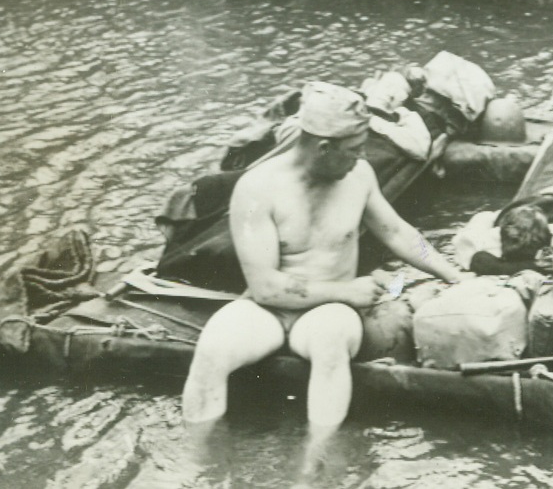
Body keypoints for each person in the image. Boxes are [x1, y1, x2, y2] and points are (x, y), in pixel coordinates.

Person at [182, 81, 466, 471]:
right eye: (353, 150)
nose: (361, 157)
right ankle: (196, 465)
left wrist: (455, 274)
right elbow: (265, 288)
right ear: (323, 148)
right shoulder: (257, 189)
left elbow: (398, 233)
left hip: (328, 312)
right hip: (269, 308)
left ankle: (312, 468)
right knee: (212, 348)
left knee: (331, 343)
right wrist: (349, 290)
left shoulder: (359, 175)